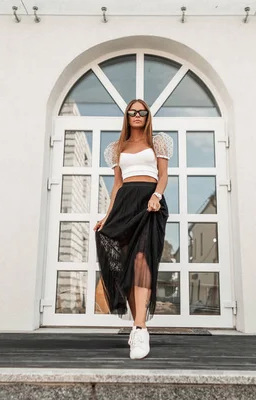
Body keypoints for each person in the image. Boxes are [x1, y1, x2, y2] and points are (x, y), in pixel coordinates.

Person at [93, 99, 172, 360]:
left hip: (149, 203)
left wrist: (157, 196)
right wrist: (106, 217)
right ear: (126, 117)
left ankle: (141, 328)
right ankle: (136, 324)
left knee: (142, 262)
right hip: (125, 205)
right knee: (127, 265)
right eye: (132, 112)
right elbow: (117, 185)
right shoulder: (117, 148)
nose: (137, 115)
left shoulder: (157, 142)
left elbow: (163, 175)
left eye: (142, 112)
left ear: (147, 116)